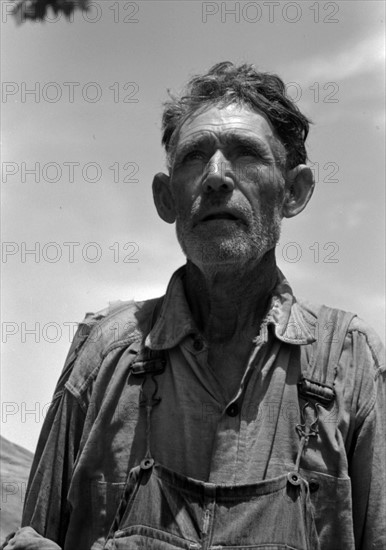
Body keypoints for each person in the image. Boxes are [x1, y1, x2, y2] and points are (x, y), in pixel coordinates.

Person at [3, 62, 385, 550]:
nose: (216, 177)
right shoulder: (105, 355)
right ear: (167, 199)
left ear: (294, 191)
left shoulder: (348, 364)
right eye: (194, 157)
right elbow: (34, 539)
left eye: (246, 154)